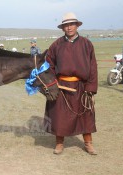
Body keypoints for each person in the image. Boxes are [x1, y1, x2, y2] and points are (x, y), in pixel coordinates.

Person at [44, 12, 98, 155]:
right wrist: (52, 84)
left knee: (85, 116)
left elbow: (93, 66)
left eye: (71, 24)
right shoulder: (56, 45)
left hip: (81, 86)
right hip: (61, 86)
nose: (69, 28)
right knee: (59, 115)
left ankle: (88, 143)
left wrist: (90, 87)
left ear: (76, 26)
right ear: (63, 28)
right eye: (66, 25)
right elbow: (49, 66)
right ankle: (59, 143)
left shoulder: (87, 44)